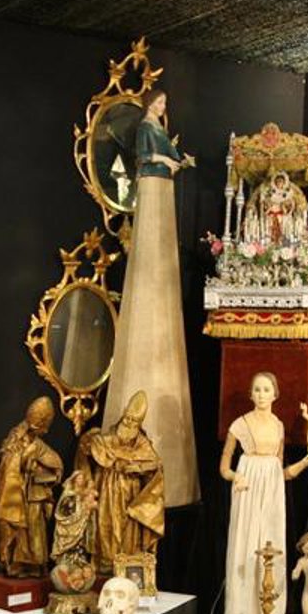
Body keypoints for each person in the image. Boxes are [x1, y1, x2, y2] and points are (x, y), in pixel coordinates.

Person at [101, 87, 200, 508]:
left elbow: (165, 157)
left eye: (163, 104)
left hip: (162, 192)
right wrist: (166, 160)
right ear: (149, 105)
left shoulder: (157, 127)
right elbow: (145, 158)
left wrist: (178, 161)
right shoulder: (146, 129)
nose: (161, 108)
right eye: (157, 103)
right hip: (153, 189)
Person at [219, 372, 308, 614]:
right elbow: (224, 466)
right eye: (257, 389)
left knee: (271, 550)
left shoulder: (278, 426)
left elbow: (282, 472)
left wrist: (305, 463)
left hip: (273, 494)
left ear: (275, 394)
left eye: (266, 389)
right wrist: (236, 476)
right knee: (246, 549)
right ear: (251, 394)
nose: (262, 394)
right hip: (248, 489)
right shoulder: (240, 424)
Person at [79, 389, 165, 576]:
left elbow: (154, 463)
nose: (128, 423)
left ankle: (125, 565)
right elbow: (97, 449)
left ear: (139, 423)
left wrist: (136, 467)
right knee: (106, 526)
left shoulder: (142, 443)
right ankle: (104, 564)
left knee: (127, 529)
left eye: (134, 421)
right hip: (107, 488)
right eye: (127, 418)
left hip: (130, 492)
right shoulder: (107, 439)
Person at [0, 396, 63, 577]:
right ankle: (18, 564)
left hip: (34, 493)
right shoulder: (15, 439)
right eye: (43, 426)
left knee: (35, 528)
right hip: (18, 494)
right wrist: (24, 460)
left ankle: (35, 565)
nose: (45, 431)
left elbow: (53, 461)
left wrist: (46, 469)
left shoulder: (38, 444)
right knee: (20, 529)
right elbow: (7, 462)